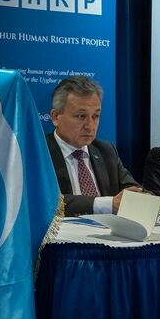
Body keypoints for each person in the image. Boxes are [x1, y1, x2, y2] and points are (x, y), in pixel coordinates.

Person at [45, 76, 141, 216]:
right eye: (81, 116)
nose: (90, 126)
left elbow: (133, 189)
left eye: (95, 116)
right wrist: (107, 204)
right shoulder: (40, 153)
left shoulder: (105, 151)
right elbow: (47, 202)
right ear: (55, 117)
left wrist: (143, 198)